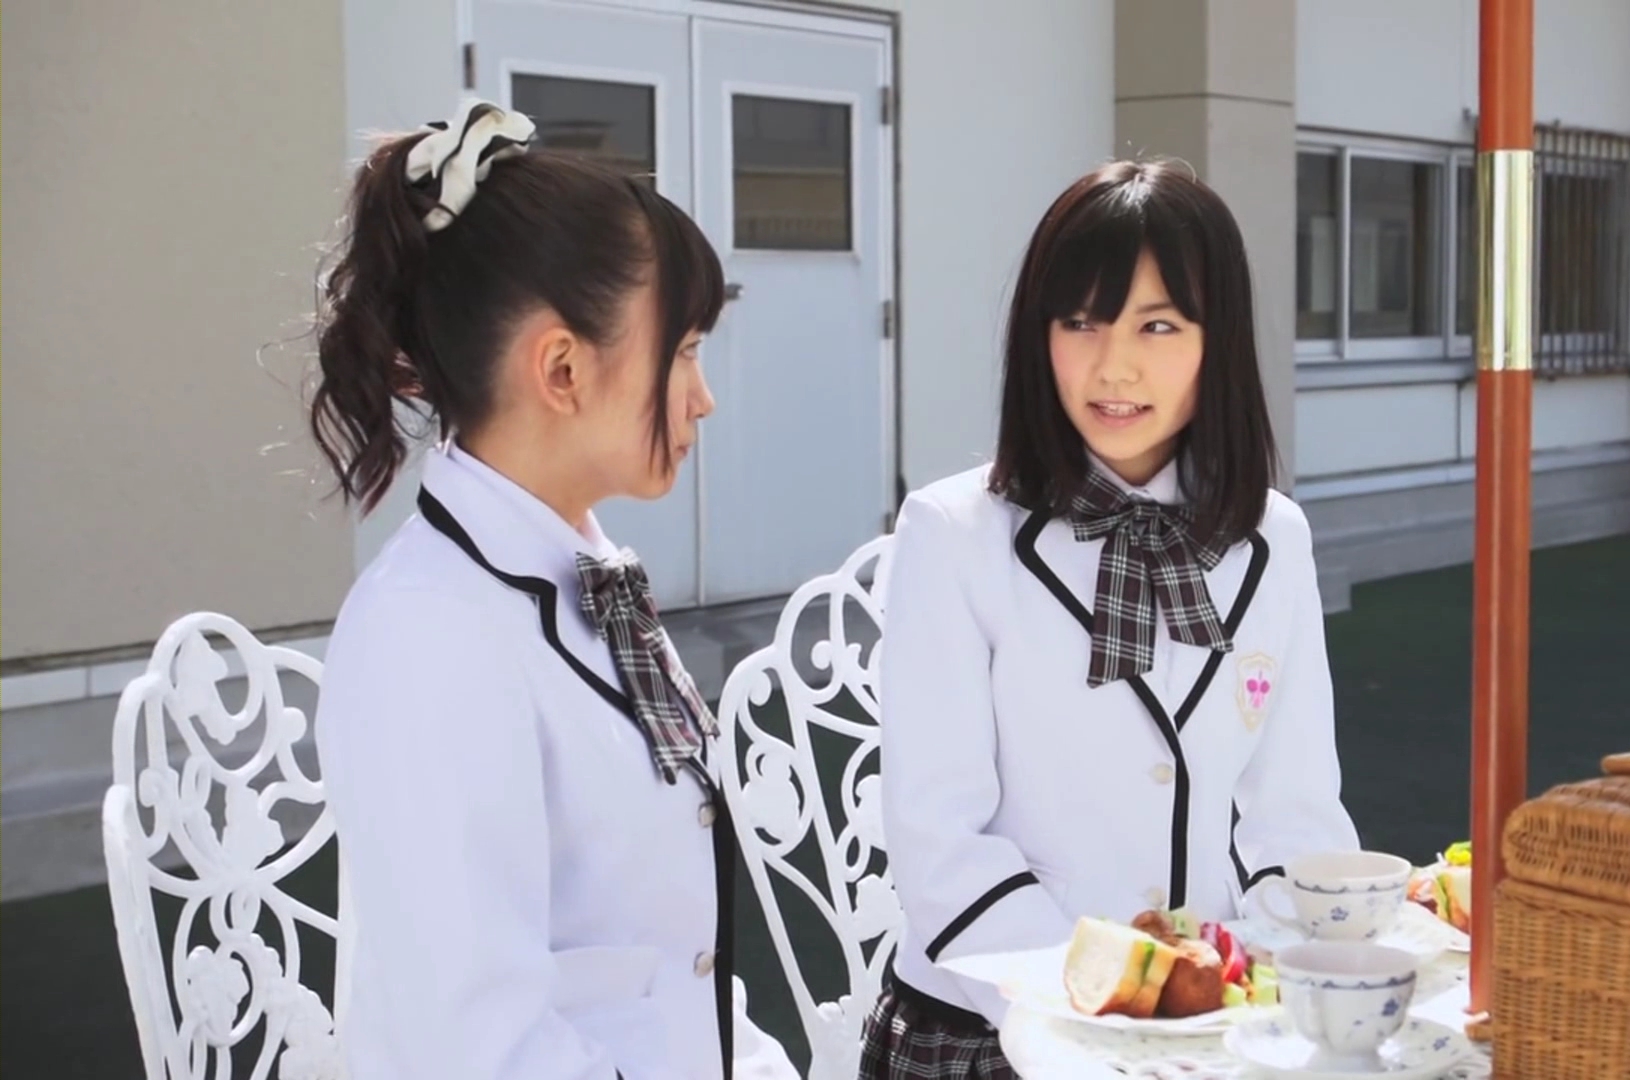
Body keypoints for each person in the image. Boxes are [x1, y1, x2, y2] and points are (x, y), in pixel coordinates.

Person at [307, 100, 799, 1080]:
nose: (704, 397)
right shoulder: (429, 636)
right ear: (563, 368)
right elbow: (475, 1047)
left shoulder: (582, 580)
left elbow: (668, 961)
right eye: (685, 350)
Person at [860, 160, 1361, 1077]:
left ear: (1217, 340)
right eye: (1080, 322)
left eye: (1158, 326)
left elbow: (1296, 819)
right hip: (993, 1030)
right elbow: (941, 843)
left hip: (1207, 1031)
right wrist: (1097, 1007)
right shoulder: (952, 534)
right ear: (1039, 336)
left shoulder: (1275, 539)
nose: (1113, 366)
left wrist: (1262, 984)